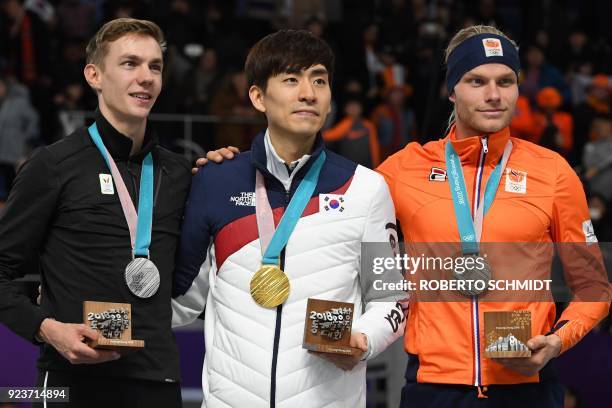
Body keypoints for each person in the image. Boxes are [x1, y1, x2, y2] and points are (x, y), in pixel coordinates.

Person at [377, 25, 610, 407]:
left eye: (506, 81)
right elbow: (329, 206)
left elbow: (594, 289)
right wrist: (243, 166)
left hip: (526, 384)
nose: (493, 95)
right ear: (451, 90)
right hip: (433, 387)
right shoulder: (404, 168)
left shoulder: (552, 172)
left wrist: (557, 340)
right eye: (476, 81)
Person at [171, 29, 406, 407]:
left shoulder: (365, 189)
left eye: (319, 80)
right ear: (258, 97)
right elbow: (181, 301)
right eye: (291, 80)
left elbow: (390, 300)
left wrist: (362, 339)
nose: (308, 93)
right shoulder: (215, 181)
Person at [0, 18, 191, 407]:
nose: (146, 77)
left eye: (155, 66)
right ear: (94, 75)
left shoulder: (179, 174)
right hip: (70, 384)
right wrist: (46, 329)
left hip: (157, 382)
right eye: (129, 64)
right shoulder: (52, 166)